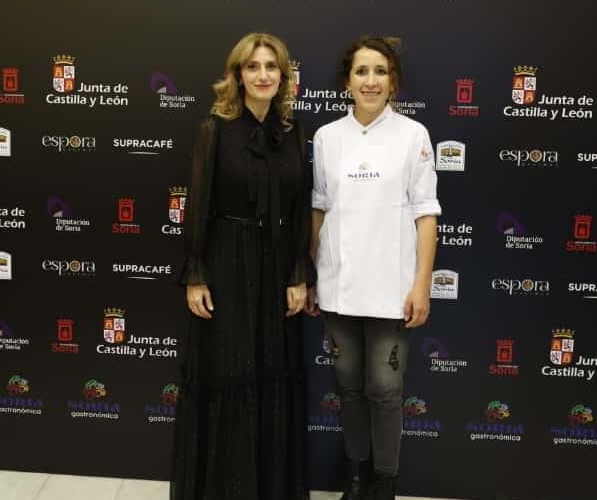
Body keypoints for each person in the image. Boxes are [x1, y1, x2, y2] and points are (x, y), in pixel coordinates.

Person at [171, 32, 312, 500]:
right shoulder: (214, 129)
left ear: (283, 76)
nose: (263, 75)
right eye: (253, 66)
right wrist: (195, 274)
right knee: (230, 373)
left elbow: (300, 208)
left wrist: (298, 273)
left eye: (271, 66)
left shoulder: (293, 132)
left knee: (272, 373)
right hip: (227, 265)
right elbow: (198, 206)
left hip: (277, 268)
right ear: (237, 75)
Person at [305, 36, 440, 500]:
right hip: (339, 288)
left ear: (393, 81)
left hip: (392, 290)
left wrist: (422, 285)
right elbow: (319, 209)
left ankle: (384, 484)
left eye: (380, 71)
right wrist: (314, 275)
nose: (370, 81)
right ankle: (356, 479)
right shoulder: (328, 137)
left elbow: (426, 214)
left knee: (384, 389)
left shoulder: (413, 135)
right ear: (347, 82)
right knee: (348, 388)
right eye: (361, 71)